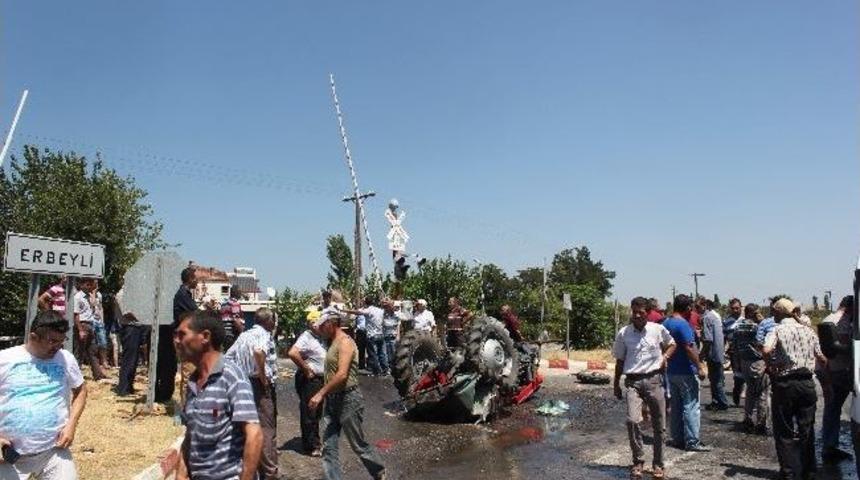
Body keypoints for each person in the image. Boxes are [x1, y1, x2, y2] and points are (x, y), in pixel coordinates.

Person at [174, 310, 262, 480]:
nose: (176, 340)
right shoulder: (193, 383)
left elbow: (255, 435)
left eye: (182, 334)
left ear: (205, 337)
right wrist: (180, 474)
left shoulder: (231, 376)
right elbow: (190, 437)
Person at [0, 310, 87, 480]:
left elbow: (81, 390)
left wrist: (72, 424)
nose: (58, 347)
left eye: (62, 341)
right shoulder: (5, 359)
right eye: (52, 341)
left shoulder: (65, 359)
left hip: (53, 451)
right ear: (33, 337)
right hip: (9, 455)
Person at [308, 311, 386, 480]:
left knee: (357, 444)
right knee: (329, 447)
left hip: (348, 399)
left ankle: (379, 471)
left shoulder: (345, 342)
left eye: (323, 325)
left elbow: (342, 375)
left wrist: (320, 394)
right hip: (332, 400)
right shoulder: (332, 342)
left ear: (331, 323)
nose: (320, 328)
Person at [762, 298, 828, 480]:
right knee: (807, 430)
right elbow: (822, 358)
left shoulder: (777, 329)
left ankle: (788, 473)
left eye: (774, 311)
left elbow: (766, 350)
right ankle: (809, 472)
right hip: (807, 383)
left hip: (785, 384)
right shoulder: (808, 330)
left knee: (784, 430)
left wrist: (771, 366)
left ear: (779, 312)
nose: (772, 315)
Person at [612, 297, 676, 479]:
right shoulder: (624, 333)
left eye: (641, 312)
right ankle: (638, 460)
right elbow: (620, 360)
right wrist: (616, 384)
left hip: (654, 380)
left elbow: (672, 344)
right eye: (634, 312)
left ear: (648, 313)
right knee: (632, 421)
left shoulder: (658, 329)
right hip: (633, 382)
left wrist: (665, 357)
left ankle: (658, 464)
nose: (638, 315)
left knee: (659, 424)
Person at [225, 308, 279, 480]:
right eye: (274, 320)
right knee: (266, 429)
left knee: (247, 428)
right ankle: (270, 473)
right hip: (258, 385)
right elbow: (258, 352)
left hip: (243, 385)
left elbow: (227, 358)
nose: (275, 324)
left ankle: (252, 470)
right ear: (268, 321)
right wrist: (263, 378)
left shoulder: (243, 335)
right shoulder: (263, 334)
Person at [663, 295, 709, 452]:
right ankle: (692, 441)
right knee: (691, 405)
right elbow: (689, 348)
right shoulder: (683, 325)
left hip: (672, 371)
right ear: (688, 308)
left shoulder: (666, 322)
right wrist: (700, 366)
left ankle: (677, 438)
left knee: (676, 406)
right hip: (686, 371)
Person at [818, 295, 854, 462]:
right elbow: (847, 347)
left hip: (829, 369)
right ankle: (829, 446)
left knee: (832, 408)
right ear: (849, 308)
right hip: (836, 370)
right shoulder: (843, 320)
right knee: (833, 408)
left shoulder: (829, 317)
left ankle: (829, 445)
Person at [288, 310, 327, 457]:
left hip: (320, 380)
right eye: (313, 322)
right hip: (311, 380)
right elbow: (292, 353)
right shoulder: (306, 337)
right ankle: (310, 446)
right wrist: (306, 369)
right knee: (309, 413)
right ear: (309, 324)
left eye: (319, 322)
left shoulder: (321, 337)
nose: (317, 325)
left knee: (316, 413)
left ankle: (315, 441)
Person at [160, 266, 198, 403]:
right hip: (184, 338)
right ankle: (186, 406)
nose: (197, 281)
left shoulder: (185, 294)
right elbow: (194, 314)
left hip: (187, 336)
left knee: (191, 371)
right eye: (196, 278)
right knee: (189, 372)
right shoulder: (182, 294)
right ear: (190, 278)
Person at [733, 303, 769, 434]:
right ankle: (761, 422)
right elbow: (764, 342)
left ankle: (748, 418)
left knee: (750, 391)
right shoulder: (757, 327)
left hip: (744, 362)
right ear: (753, 313)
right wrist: (762, 320)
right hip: (757, 362)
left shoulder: (738, 327)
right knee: (762, 393)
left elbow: (735, 346)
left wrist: (737, 363)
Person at [72, 278, 106, 381]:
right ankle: (74, 376)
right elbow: (76, 314)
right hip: (82, 325)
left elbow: (95, 307)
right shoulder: (77, 297)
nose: (91, 287)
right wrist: (80, 329)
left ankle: (98, 375)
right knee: (79, 352)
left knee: (92, 351)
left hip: (91, 325)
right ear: (83, 285)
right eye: (89, 284)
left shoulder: (89, 297)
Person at [698, 298, 728, 411]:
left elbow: (708, 339)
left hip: (713, 353)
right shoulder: (716, 315)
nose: (697, 310)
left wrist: (701, 354)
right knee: (717, 378)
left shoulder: (707, 318)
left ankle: (722, 402)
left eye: (698, 307)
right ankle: (717, 401)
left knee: (715, 380)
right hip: (718, 352)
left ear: (704, 305)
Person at [345, 297, 386, 376]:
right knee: (381, 353)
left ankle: (376, 371)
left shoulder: (368, 310)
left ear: (366, 303)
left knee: (373, 354)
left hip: (372, 335)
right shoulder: (380, 310)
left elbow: (356, 312)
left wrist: (345, 310)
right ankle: (385, 369)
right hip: (380, 334)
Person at [723, 298, 745, 406]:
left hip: (747, 352)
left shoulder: (746, 320)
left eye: (737, 308)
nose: (735, 310)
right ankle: (737, 393)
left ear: (741, 307)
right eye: (733, 308)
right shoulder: (726, 322)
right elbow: (723, 337)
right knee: (738, 376)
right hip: (734, 353)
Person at [220, 286, 245, 351]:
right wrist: (242, 332)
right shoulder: (235, 304)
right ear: (237, 293)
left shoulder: (223, 304)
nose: (241, 294)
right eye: (240, 292)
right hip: (232, 335)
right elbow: (236, 320)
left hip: (224, 334)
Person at [381, 300, 400, 373]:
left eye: (388, 307)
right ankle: (387, 368)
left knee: (393, 353)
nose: (387, 308)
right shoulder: (383, 315)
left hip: (393, 337)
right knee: (385, 353)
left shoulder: (396, 315)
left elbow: (398, 326)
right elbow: (382, 326)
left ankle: (393, 368)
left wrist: (398, 335)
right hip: (385, 336)